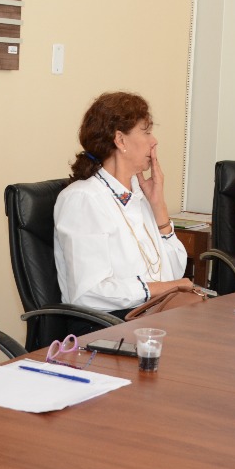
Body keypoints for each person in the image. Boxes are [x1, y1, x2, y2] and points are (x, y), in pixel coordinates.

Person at [54, 92, 190, 316]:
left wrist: (159, 207)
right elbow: (88, 292)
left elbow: (174, 272)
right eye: (146, 132)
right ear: (120, 140)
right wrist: (162, 288)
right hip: (107, 325)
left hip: (152, 315)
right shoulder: (83, 199)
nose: (154, 141)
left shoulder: (138, 194)